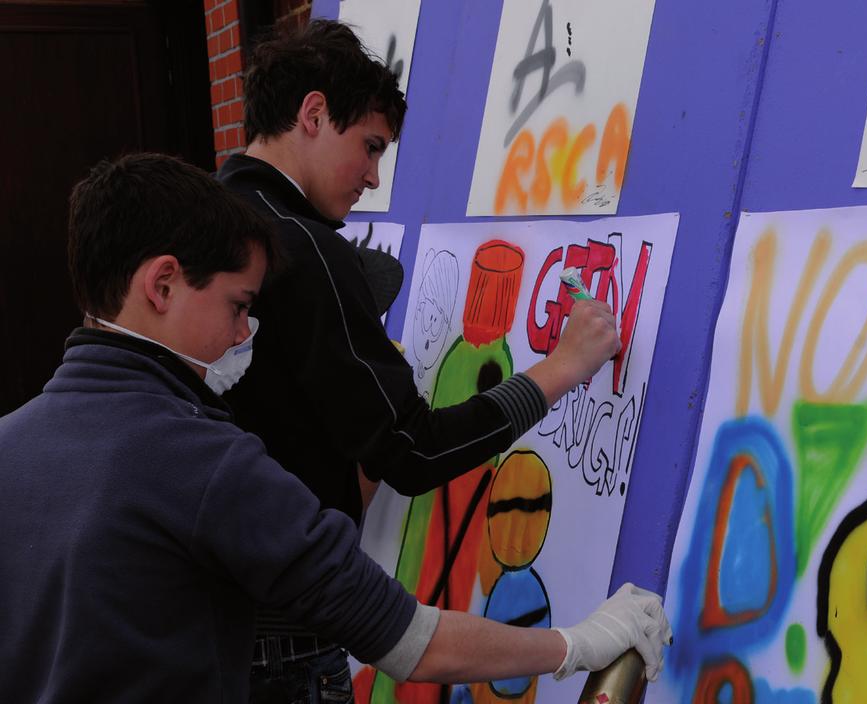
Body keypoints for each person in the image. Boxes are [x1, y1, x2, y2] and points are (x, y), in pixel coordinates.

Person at [0, 154, 670, 703]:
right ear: (163, 285)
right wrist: (577, 644)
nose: (244, 334)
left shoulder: (12, 442)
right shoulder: (202, 462)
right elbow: (409, 640)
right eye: (238, 306)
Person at [216, 19, 628, 699]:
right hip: (283, 634)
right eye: (370, 147)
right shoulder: (307, 248)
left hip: (198, 627)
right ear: (313, 115)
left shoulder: (204, 217)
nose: (375, 178)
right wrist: (562, 367)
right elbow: (413, 452)